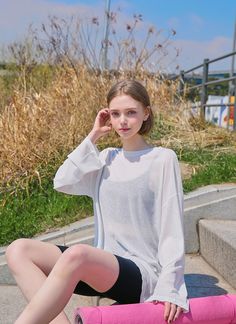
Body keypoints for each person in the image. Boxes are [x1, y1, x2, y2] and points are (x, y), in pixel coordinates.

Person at [6, 80, 189, 324]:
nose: (122, 121)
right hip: (102, 269)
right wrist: (92, 137)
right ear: (108, 117)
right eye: (115, 114)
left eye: (131, 112)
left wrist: (171, 286)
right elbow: (62, 181)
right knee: (18, 250)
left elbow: (172, 227)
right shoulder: (106, 159)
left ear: (146, 113)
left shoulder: (162, 159)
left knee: (78, 253)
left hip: (142, 272)